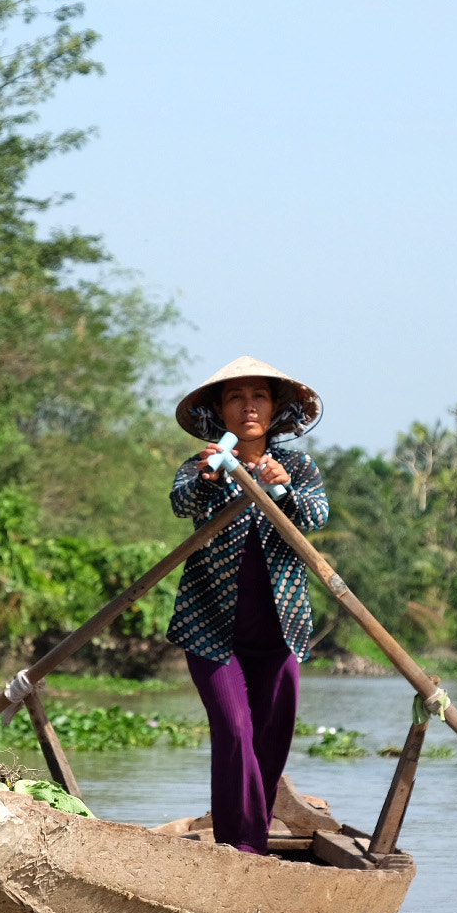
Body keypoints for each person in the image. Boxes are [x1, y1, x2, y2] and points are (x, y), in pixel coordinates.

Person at [168, 356, 328, 853]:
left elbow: (317, 516)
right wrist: (212, 478)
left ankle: (250, 834)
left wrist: (279, 487)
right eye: (235, 397)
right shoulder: (203, 466)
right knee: (235, 733)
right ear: (220, 409)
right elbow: (183, 503)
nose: (248, 406)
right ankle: (244, 848)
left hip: (281, 634)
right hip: (212, 633)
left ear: (275, 407)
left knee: (270, 740)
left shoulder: (298, 467)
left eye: (258, 396)